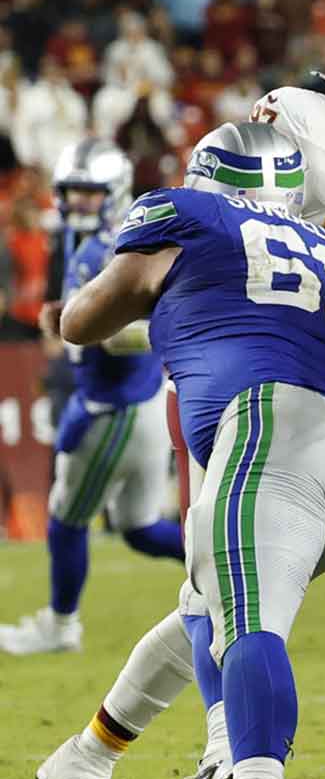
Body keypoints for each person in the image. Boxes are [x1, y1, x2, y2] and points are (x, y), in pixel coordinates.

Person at [57, 121, 325, 779]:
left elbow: (85, 320)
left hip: (269, 427)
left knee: (248, 628)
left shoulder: (186, 211)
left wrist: (140, 305)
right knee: (210, 605)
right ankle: (107, 757)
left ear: (210, 173)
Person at [0, 140, 183, 657]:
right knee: (141, 528)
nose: (78, 203)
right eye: (72, 192)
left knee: (65, 517)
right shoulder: (105, 240)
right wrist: (69, 313)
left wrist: (76, 325)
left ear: (115, 191)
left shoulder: (112, 248)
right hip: (137, 398)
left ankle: (60, 625)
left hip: (116, 403)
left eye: (89, 193)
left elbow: (140, 330)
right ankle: (239, 578)